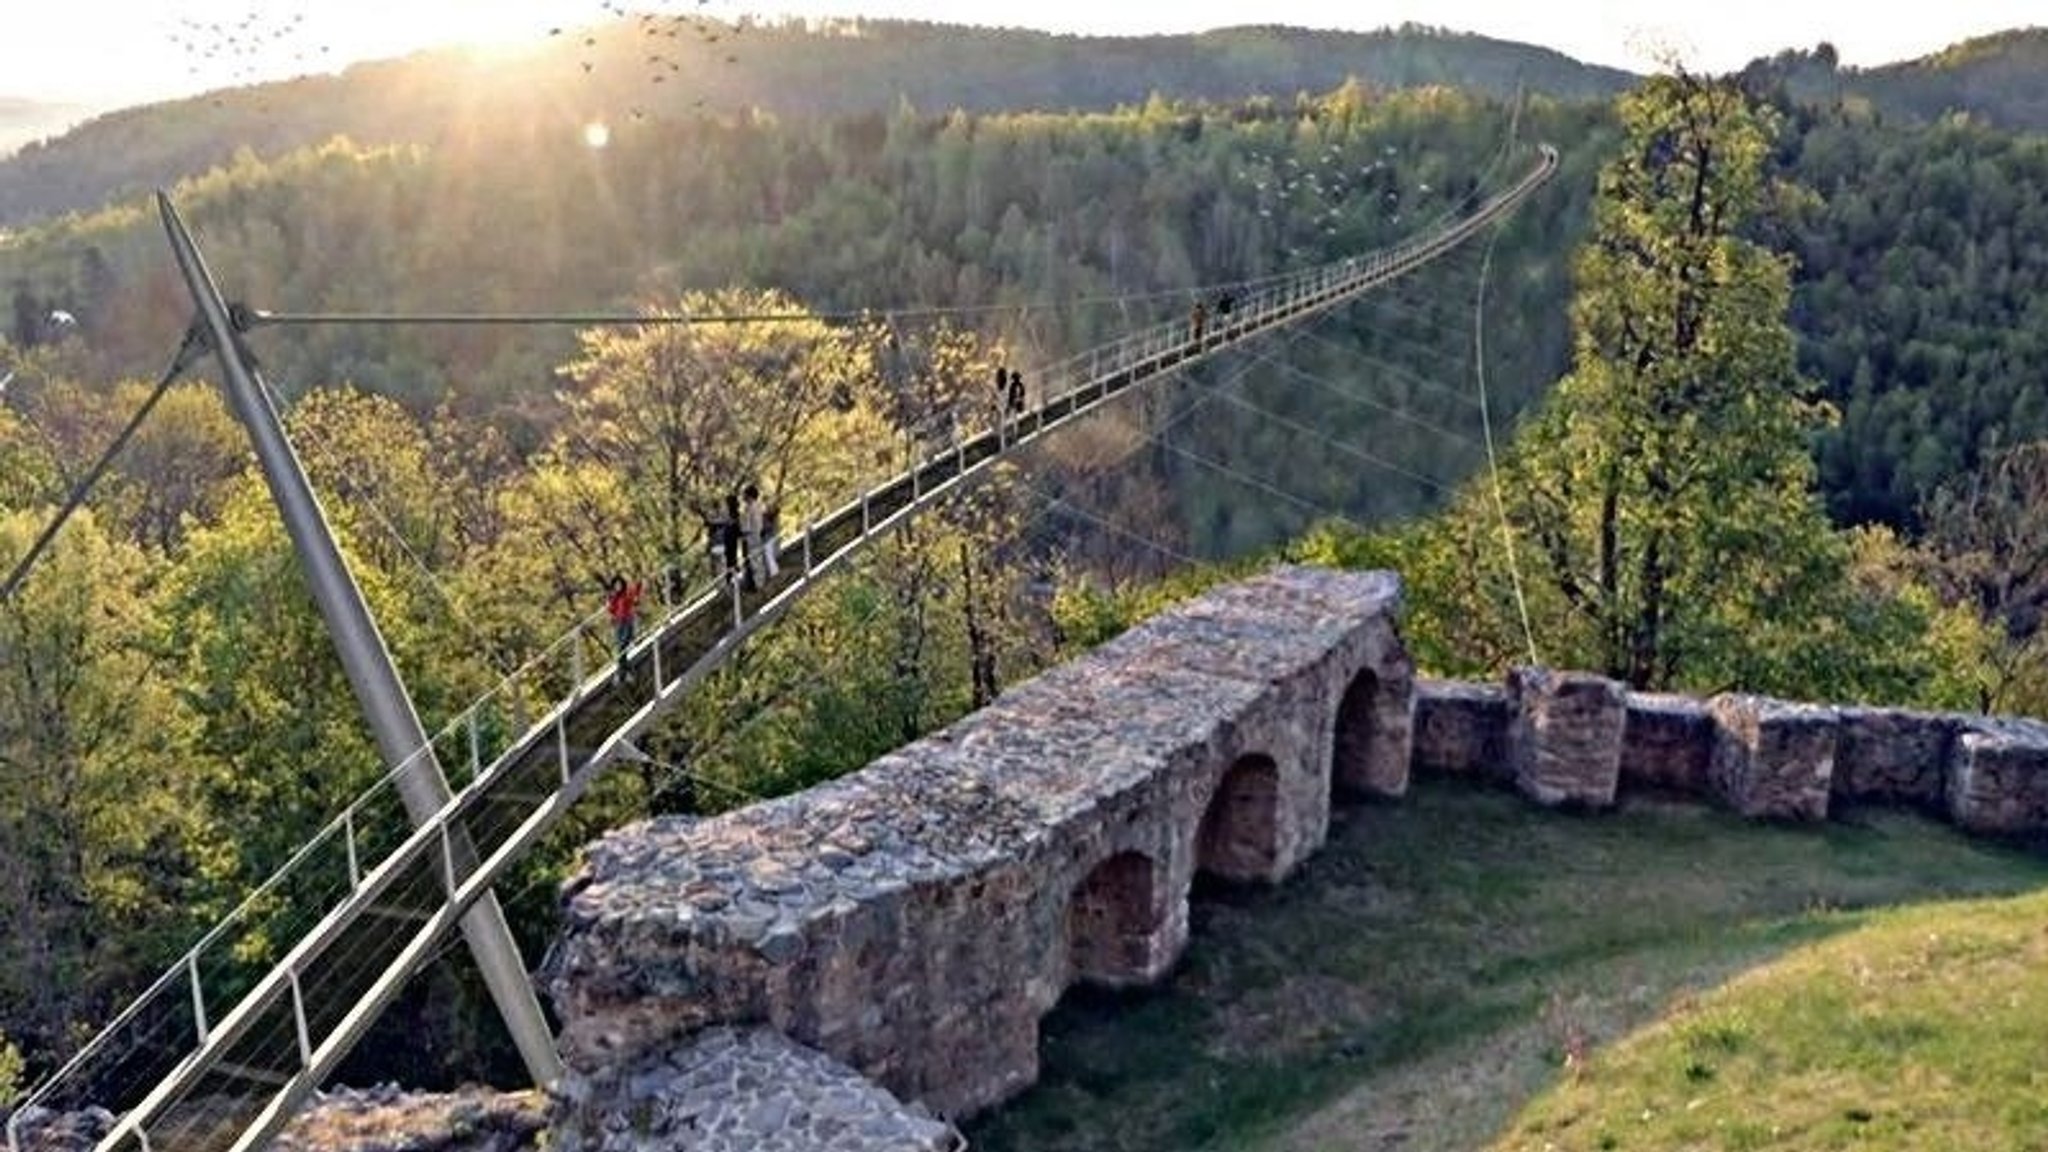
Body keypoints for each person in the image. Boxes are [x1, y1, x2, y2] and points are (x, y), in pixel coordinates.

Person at [605, 574, 643, 683]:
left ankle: (619, 674)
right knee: (621, 650)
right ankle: (627, 673)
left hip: (627, 623)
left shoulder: (627, 593)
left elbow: (635, 593)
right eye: (616, 585)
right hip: (618, 624)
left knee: (622, 648)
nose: (618, 587)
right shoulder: (614, 597)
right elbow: (611, 610)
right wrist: (608, 604)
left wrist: (639, 583)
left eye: (619, 584)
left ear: (622, 584)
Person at [740, 483, 767, 590]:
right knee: (755, 560)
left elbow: (747, 526)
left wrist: (742, 532)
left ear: (749, 495)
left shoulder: (750, 507)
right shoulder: (757, 506)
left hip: (751, 537)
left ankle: (757, 585)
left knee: (754, 561)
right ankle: (756, 583)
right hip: (755, 536)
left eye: (744, 494)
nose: (742, 496)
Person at [761, 502, 782, 578]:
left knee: (769, 556)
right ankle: (772, 573)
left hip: (770, 539)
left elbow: (767, 528)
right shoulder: (768, 517)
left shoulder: (771, 518)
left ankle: (774, 573)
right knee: (769, 557)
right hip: (770, 538)